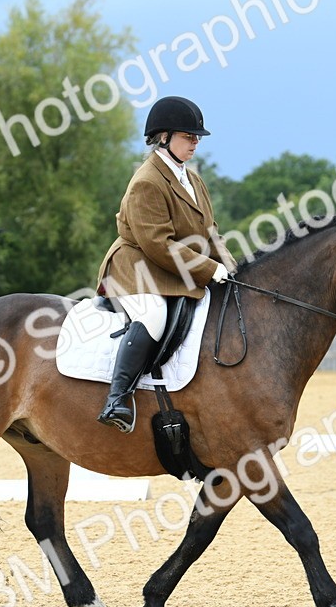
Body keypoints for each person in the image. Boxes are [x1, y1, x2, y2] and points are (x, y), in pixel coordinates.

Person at [95, 95, 236, 432]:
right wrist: (208, 269)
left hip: (172, 266)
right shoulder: (147, 180)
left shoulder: (191, 178)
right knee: (153, 315)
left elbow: (210, 231)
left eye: (196, 137)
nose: (195, 143)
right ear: (164, 137)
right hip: (136, 269)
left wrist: (230, 266)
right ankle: (118, 398)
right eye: (189, 137)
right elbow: (157, 244)